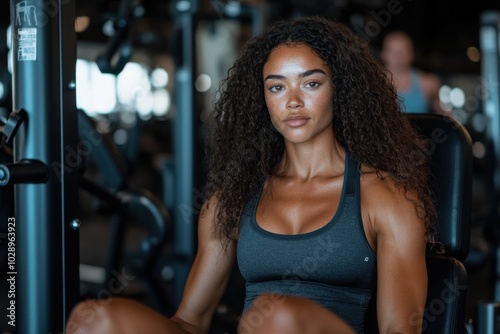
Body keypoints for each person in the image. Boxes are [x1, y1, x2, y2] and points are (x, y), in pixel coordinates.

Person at [66, 16, 437, 334]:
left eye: (310, 83)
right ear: (263, 99)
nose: (292, 100)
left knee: (274, 316)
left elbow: (400, 329)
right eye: (277, 87)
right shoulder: (234, 198)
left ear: (340, 90)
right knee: (91, 318)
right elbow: (190, 322)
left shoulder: (384, 197)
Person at [380, 30, 443, 114]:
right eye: (394, 52)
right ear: (384, 54)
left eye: (403, 52)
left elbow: (442, 116)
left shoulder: (428, 83)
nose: (398, 57)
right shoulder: (374, 82)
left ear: (411, 54)